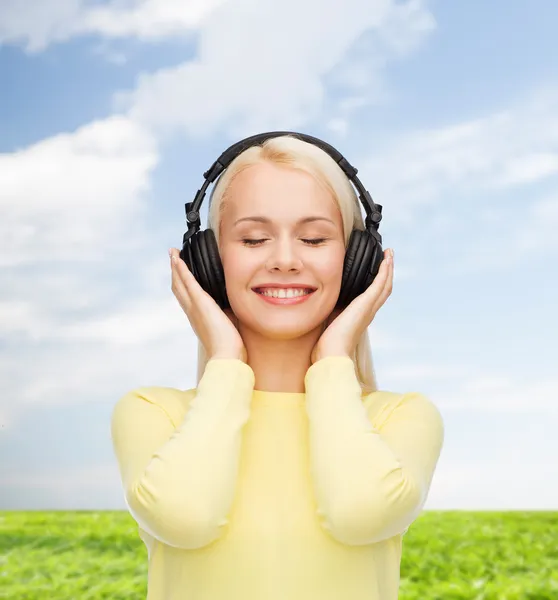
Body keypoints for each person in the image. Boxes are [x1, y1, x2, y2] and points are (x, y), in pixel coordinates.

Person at [110, 133, 445, 600]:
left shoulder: (401, 419)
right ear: (208, 261)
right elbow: (186, 517)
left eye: (313, 238)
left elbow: (359, 512)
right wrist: (226, 361)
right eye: (253, 238)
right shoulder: (152, 413)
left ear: (356, 263)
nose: (285, 260)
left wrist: (333, 361)